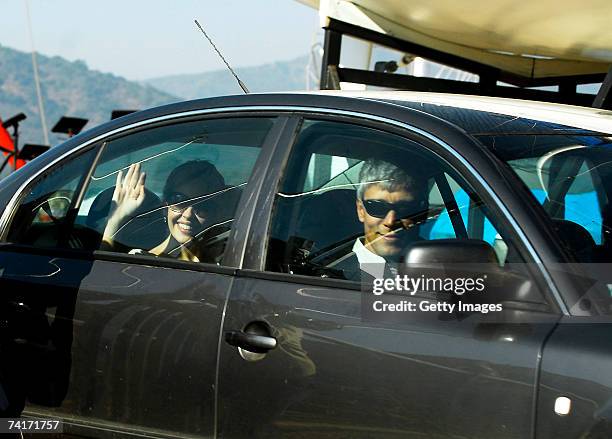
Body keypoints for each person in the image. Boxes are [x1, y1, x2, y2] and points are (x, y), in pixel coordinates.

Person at [102, 160, 227, 262]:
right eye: (179, 200)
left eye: (203, 206)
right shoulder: (142, 260)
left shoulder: (227, 256)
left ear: (217, 213)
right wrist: (115, 220)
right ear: (165, 205)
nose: (188, 214)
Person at [336, 159, 427, 280]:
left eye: (405, 208)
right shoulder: (333, 275)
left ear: (424, 212)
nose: (390, 221)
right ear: (360, 210)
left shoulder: (445, 267)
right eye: (377, 207)